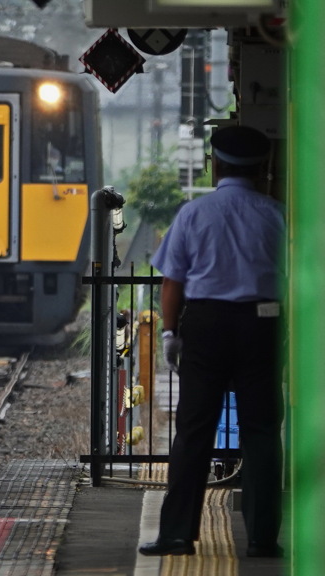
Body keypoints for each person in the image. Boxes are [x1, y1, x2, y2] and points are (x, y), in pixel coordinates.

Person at [139, 124, 284, 558]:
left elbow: (172, 281)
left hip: (207, 326)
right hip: (263, 324)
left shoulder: (194, 214)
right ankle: (261, 538)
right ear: (262, 168)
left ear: (215, 164)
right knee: (260, 432)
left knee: (194, 432)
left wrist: (169, 332)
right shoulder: (276, 214)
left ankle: (178, 534)